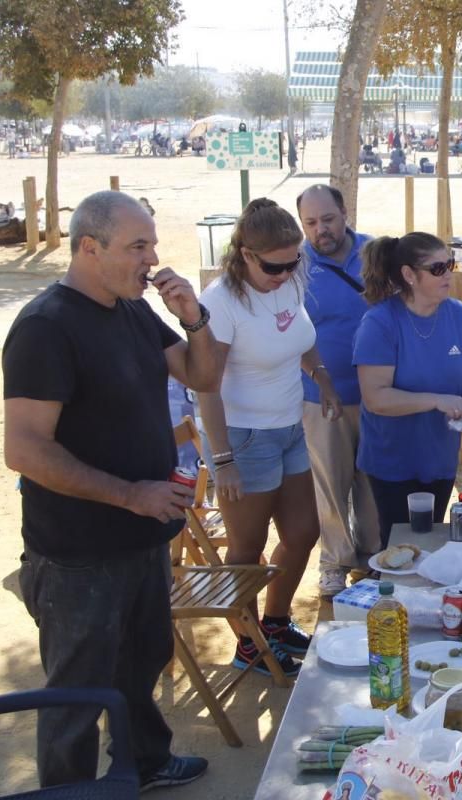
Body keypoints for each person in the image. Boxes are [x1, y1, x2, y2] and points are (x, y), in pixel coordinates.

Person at [4, 191, 220, 789]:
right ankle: (67, 791)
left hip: (141, 539)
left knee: (141, 665)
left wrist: (193, 317)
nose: (152, 259)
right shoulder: (46, 328)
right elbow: (23, 450)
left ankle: (146, 762)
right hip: (77, 554)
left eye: (151, 244)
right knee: (75, 700)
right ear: (89, 248)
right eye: (137, 246)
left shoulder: (131, 309)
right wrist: (131, 495)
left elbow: (202, 376)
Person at [197, 198, 336, 676]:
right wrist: (223, 458)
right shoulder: (220, 302)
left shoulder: (290, 279)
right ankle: (248, 644)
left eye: (294, 261)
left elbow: (301, 337)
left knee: (302, 532)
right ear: (246, 256)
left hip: (289, 426)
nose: (286, 273)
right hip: (243, 436)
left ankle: (274, 624)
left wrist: (321, 376)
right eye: (275, 266)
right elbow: (205, 385)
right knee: (246, 548)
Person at [354, 233, 462, 545]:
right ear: (408, 275)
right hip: (391, 460)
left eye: (451, 264)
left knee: (430, 541)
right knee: (399, 548)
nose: (449, 274)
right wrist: (438, 401)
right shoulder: (379, 322)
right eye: (438, 268)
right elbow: (376, 398)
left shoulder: (460, 315)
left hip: (440, 456)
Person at [295, 185, 381, 598]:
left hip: (378, 394)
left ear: (344, 212)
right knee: (329, 483)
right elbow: (289, 334)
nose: (320, 230)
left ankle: (370, 558)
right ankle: (333, 562)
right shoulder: (293, 267)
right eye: (310, 223)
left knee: (372, 480)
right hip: (320, 398)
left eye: (327, 219)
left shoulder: (376, 254)